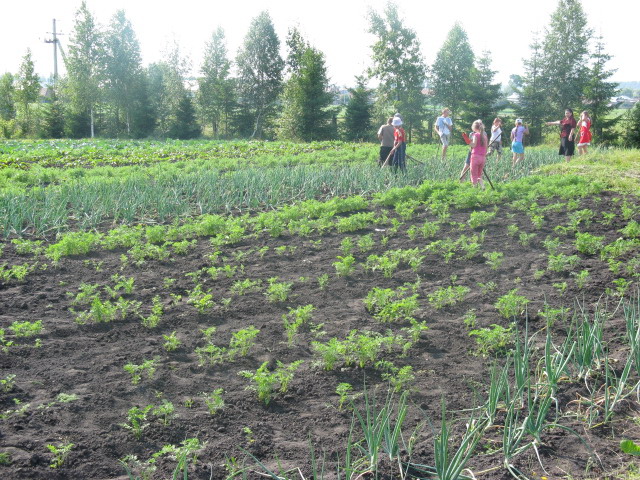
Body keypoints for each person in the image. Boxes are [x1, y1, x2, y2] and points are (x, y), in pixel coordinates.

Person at [469, 119, 487, 189]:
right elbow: (486, 147)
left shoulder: (475, 135)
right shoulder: (484, 136)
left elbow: (473, 145)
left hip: (475, 157)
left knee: (474, 174)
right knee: (479, 174)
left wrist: (468, 141)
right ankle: (483, 187)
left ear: (474, 127)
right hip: (483, 158)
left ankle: (475, 188)